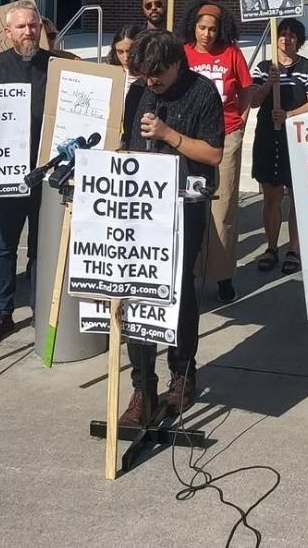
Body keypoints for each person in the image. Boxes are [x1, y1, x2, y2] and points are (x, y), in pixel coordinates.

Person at [117, 31, 224, 424]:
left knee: (177, 294)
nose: (151, 82)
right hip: (141, 207)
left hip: (185, 207)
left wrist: (167, 135)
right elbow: (129, 143)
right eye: (144, 75)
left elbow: (213, 153)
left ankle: (182, 373)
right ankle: (142, 386)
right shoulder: (141, 91)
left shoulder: (203, 94)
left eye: (157, 75)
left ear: (178, 63)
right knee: (136, 294)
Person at [0, 0, 56, 343]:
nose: (28, 32)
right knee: (6, 245)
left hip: (48, 172)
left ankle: (41, 311)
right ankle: (1, 312)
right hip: (8, 174)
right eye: (21, 26)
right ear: (7, 32)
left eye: (33, 25)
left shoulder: (56, 65)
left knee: (41, 246)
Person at [181, 0, 253, 303]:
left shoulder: (231, 53)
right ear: (193, 27)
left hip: (226, 134)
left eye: (212, 28)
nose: (207, 34)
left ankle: (222, 275)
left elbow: (246, 91)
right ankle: (191, 271)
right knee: (192, 203)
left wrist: (241, 123)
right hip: (192, 138)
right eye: (202, 27)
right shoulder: (183, 53)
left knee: (222, 209)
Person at [249, 17, 308, 274]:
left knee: (297, 197)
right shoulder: (263, 67)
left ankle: (294, 248)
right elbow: (254, 101)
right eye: (282, 33)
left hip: (297, 137)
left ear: (298, 41)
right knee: (271, 196)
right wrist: (270, 82)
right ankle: (271, 247)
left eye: (292, 35)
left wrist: (290, 115)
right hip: (269, 137)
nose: (286, 38)